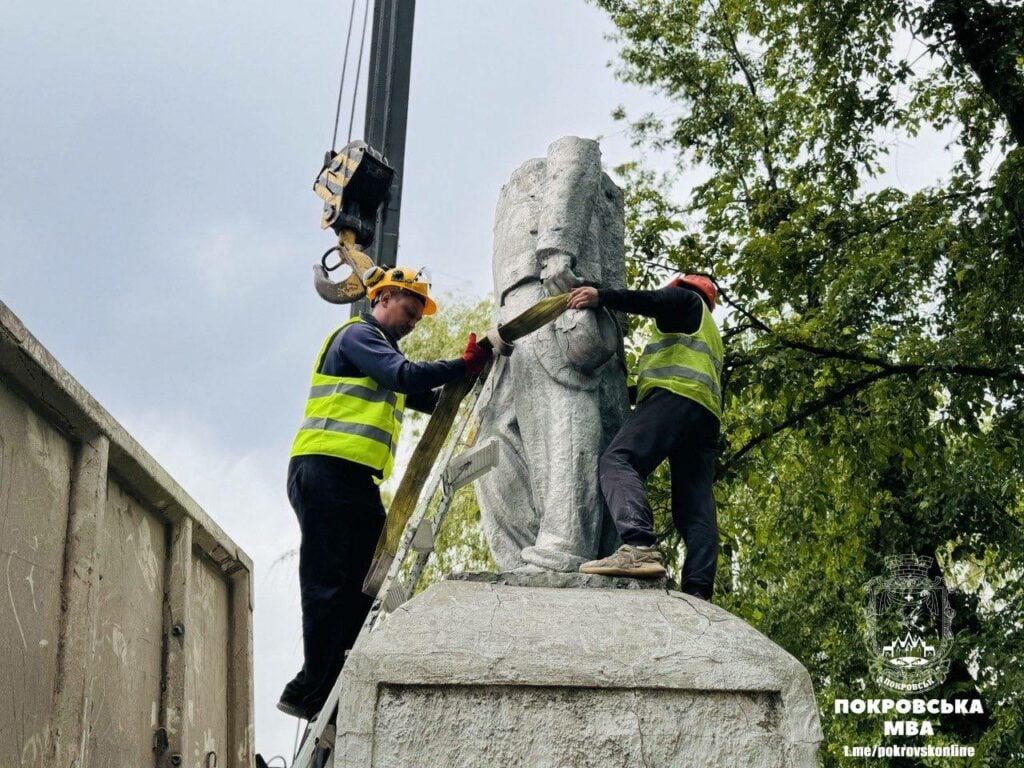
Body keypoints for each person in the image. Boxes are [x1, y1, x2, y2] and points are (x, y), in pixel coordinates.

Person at [278, 266, 492, 719]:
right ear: (384, 297)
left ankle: (342, 678)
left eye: (418, 318)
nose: (414, 323)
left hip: (353, 482)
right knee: (328, 581)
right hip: (324, 470)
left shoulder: (379, 355)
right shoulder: (358, 337)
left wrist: (470, 381)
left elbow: (427, 395)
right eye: (409, 311)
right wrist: (461, 365)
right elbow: (406, 376)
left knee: (369, 581)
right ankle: (309, 687)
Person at [570, 275, 723, 600]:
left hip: (675, 397)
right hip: (704, 415)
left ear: (680, 287)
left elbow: (652, 302)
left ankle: (639, 546)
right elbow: (677, 369)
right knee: (694, 507)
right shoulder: (709, 330)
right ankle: (699, 589)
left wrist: (601, 296)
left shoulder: (684, 301)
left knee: (618, 461)